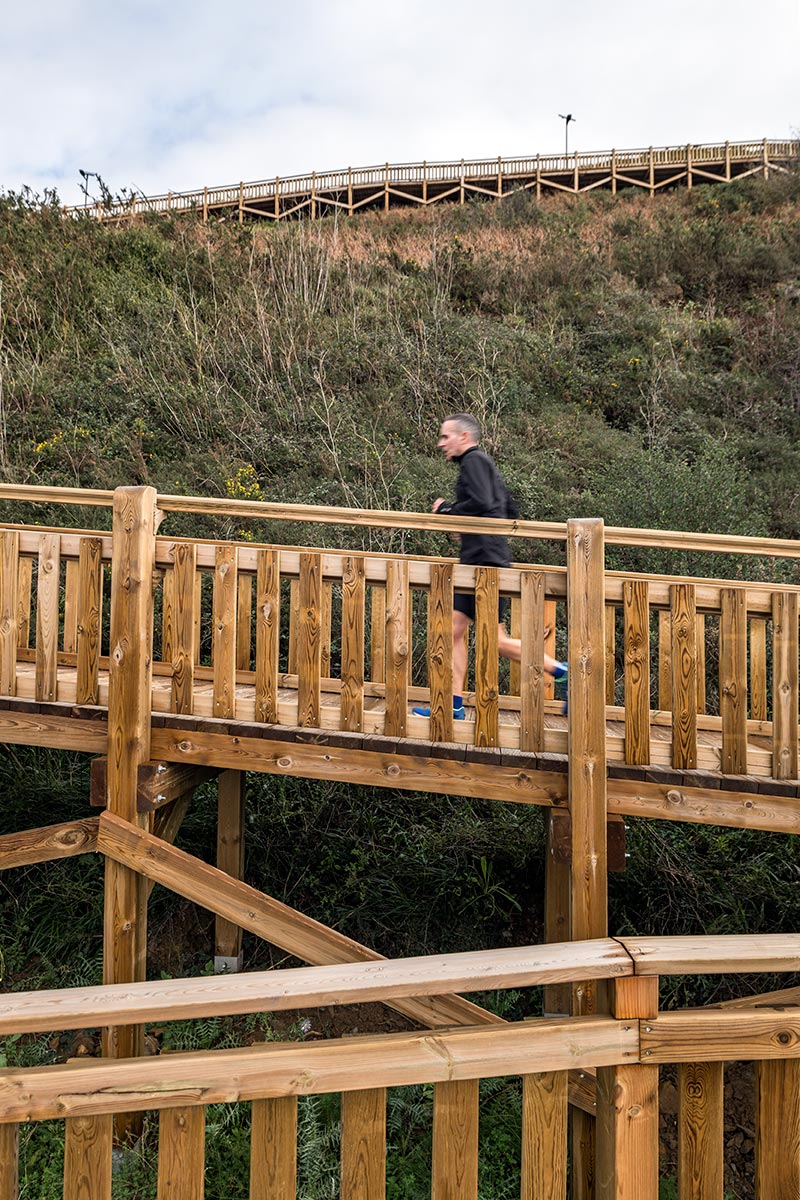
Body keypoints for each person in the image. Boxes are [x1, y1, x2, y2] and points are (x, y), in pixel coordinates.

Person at [412, 413, 567, 720]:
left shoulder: (474, 461)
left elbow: (483, 503)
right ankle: (453, 705)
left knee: (495, 641)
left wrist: (447, 509)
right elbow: (508, 509)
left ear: (464, 437)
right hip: (480, 559)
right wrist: (468, 527)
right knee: (453, 631)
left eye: (445, 437)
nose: (441, 443)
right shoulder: (484, 465)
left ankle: (563, 673)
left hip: (485, 564)